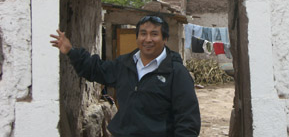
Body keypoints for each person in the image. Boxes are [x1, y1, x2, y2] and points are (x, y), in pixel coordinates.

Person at [50, 15, 201, 137]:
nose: (148, 39)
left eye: (154, 34)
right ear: (137, 38)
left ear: (165, 39)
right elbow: (96, 69)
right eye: (143, 34)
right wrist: (71, 51)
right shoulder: (124, 64)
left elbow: (188, 119)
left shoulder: (176, 72)